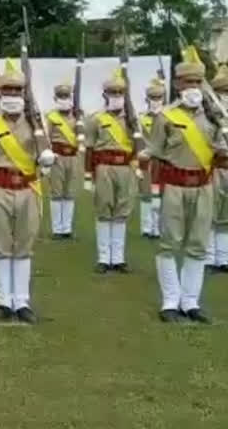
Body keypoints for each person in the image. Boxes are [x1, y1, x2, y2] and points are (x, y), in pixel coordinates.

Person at [148, 47, 227, 323]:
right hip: (174, 186)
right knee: (170, 244)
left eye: (197, 82)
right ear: (177, 84)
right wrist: (155, 195)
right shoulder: (166, 117)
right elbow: (155, 157)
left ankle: (190, 301)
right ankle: (170, 301)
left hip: (204, 186)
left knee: (197, 245)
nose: (193, 87)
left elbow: (220, 153)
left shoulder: (214, 117)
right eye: (188, 82)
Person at [0, 59, 53, 324]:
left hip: (28, 188)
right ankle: (3, 301)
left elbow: (46, 155)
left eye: (17, 90)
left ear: (24, 93)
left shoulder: (36, 122)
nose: (12, 95)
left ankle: (22, 301)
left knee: (24, 247)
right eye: (7, 90)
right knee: (1, 247)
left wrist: (45, 155)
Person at [84, 70, 136, 274]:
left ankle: (119, 258)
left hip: (125, 167)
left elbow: (139, 144)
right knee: (105, 212)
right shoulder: (96, 118)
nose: (116, 96)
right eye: (112, 92)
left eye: (120, 92)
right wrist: (88, 175)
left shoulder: (132, 119)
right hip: (104, 166)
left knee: (121, 212)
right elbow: (89, 147)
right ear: (105, 94)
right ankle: (104, 258)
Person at [46, 82, 81, 239]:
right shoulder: (51, 116)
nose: (63, 99)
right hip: (57, 156)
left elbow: (82, 136)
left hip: (72, 157)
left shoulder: (78, 116)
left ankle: (66, 228)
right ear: (55, 98)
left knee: (69, 193)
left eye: (66, 96)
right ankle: (57, 229)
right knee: (56, 193)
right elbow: (47, 138)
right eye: (60, 96)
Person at [206, 65, 228, 273]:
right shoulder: (210, 117)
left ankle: (224, 258)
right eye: (223, 92)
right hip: (217, 167)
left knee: (226, 216)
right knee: (212, 214)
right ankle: (210, 256)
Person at [139, 79, 166, 239]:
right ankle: (146, 227)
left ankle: (158, 227)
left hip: (163, 161)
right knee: (146, 194)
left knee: (162, 194)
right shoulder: (141, 119)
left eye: (159, 98)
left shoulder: (167, 118)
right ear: (147, 99)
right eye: (153, 98)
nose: (156, 101)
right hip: (147, 160)